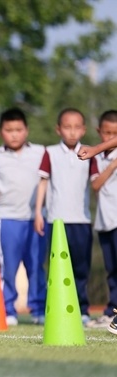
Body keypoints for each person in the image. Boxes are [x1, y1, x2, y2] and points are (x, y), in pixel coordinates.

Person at [0, 108, 47, 326]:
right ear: (1, 132)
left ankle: (38, 309)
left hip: (36, 219)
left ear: (26, 131)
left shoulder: (41, 152)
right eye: (9, 130)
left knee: (36, 266)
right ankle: (7, 309)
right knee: (7, 267)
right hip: (6, 219)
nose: (14, 134)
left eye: (19, 129)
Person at [34, 107, 94, 325]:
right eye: (67, 127)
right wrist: (38, 213)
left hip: (81, 220)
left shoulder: (90, 152)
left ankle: (82, 310)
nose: (72, 132)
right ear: (58, 129)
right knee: (56, 269)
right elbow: (43, 183)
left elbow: (96, 183)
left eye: (77, 127)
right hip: (55, 220)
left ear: (84, 130)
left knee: (81, 267)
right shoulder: (50, 152)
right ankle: (54, 310)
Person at [84, 110, 117, 331]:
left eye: (115, 134)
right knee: (111, 270)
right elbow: (95, 185)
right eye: (107, 133)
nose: (110, 138)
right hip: (105, 220)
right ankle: (111, 312)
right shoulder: (96, 158)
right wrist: (113, 164)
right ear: (99, 132)